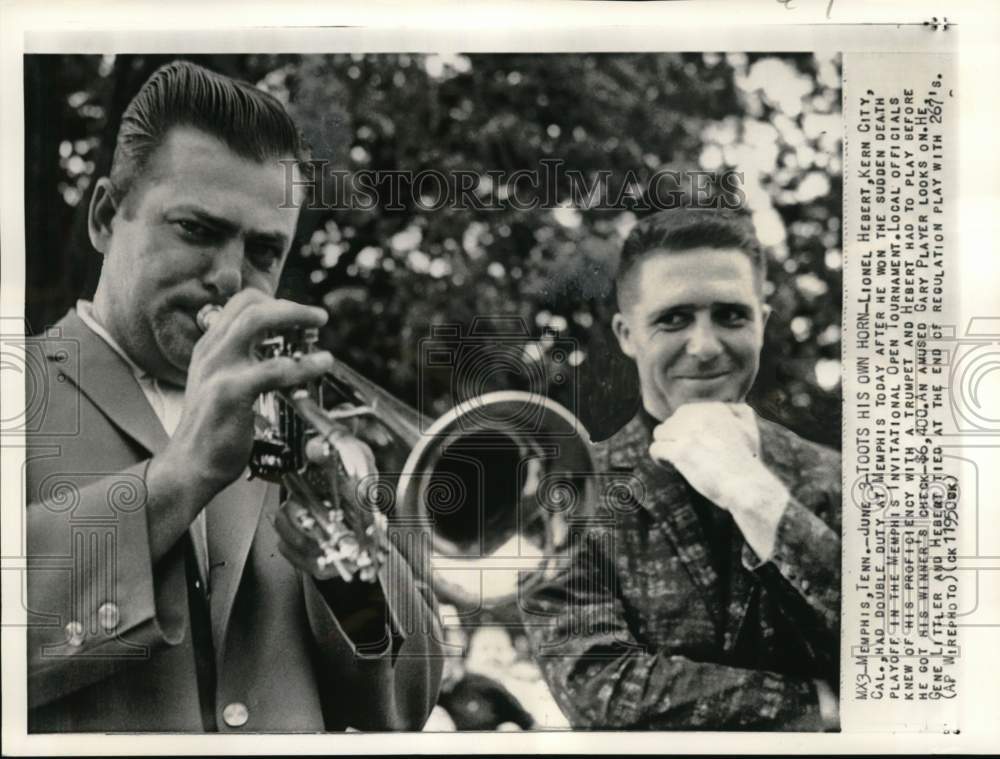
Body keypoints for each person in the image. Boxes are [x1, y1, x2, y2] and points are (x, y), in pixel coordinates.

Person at [25, 60, 442, 732]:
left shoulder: (291, 430)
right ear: (106, 218)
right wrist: (179, 477)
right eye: (197, 230)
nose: (228, 276)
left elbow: (411, 704)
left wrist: (351, 574)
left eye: (263, 250)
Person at [520, 208, 841, 731]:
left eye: (731, 316)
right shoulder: (571, 491)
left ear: (764, 321)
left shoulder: (837, 477)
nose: (706, 346)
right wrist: (822, 706)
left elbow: (893, 649)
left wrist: (753, 493)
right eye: (673, 319)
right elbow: (599, 685)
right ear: (627, 334)